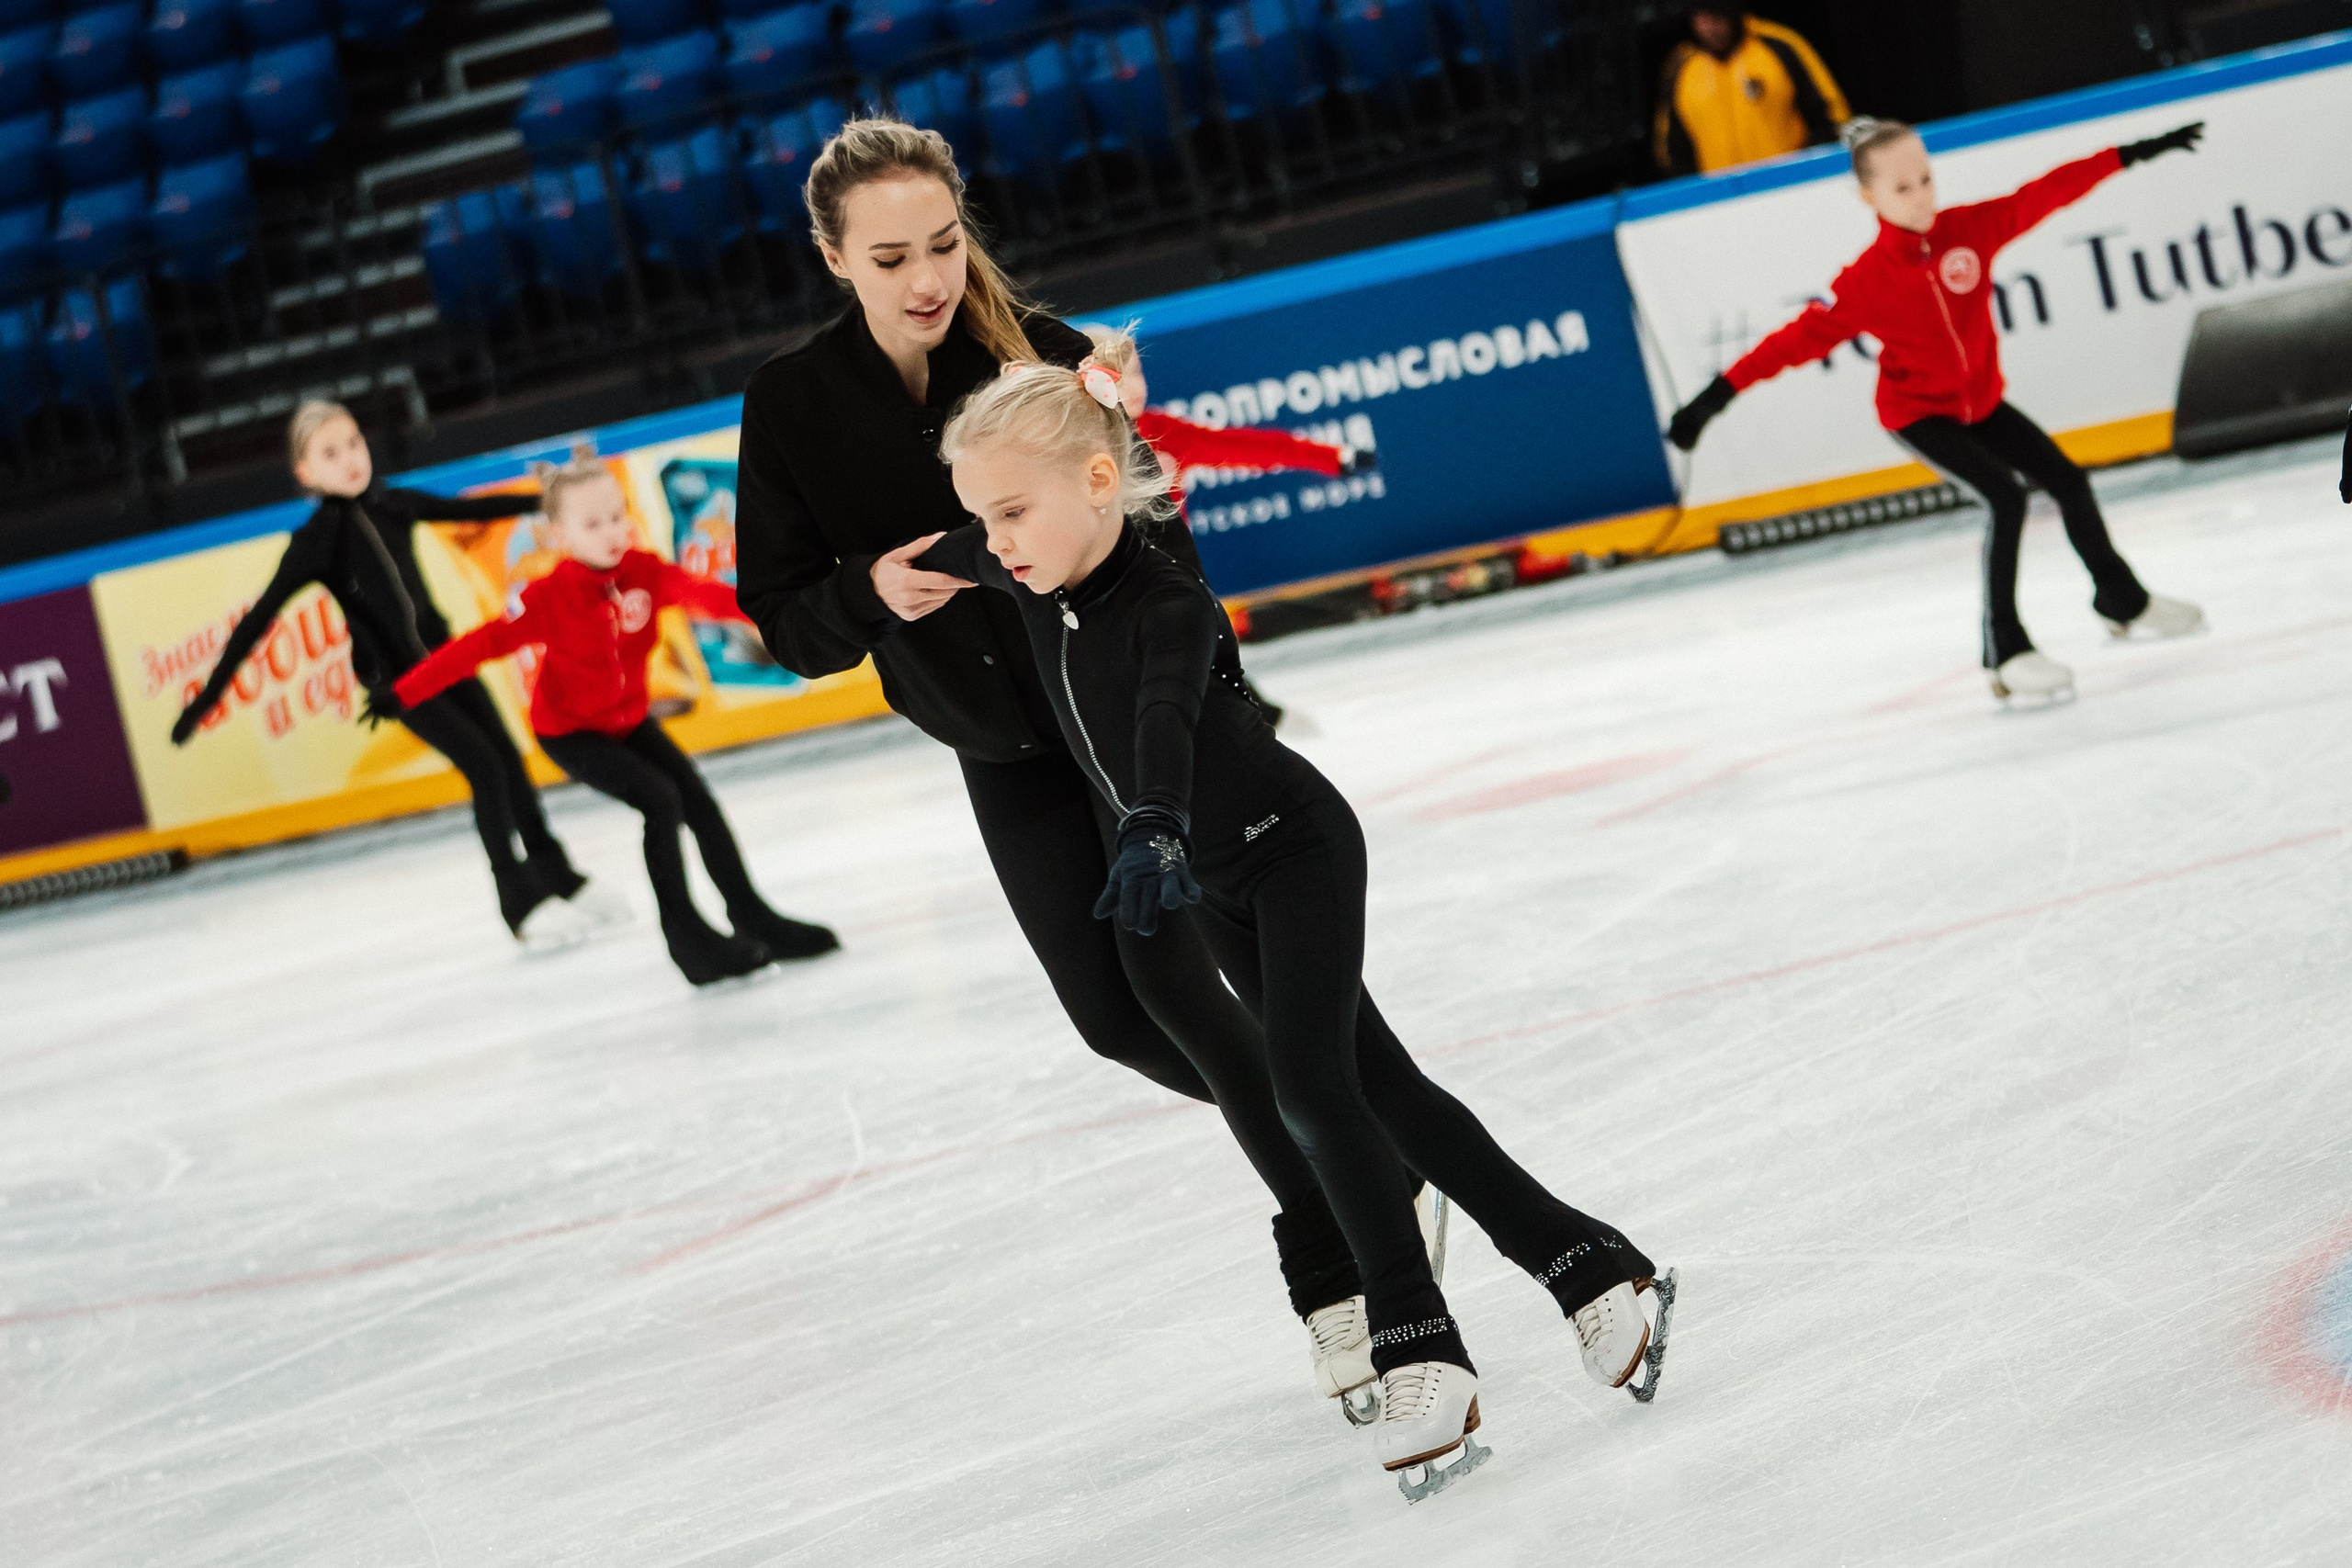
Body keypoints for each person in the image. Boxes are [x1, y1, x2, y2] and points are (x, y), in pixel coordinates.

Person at [918, 341, 1675, 1501]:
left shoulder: (1166, 601)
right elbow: (952, 554)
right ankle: (1588, 1267)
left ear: (1100, 483)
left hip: (1293, 850)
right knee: (1387, 1092)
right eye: (985, 516)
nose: (998, 539)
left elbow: (1164, 716)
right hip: (1219, 881)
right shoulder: (1030, 573)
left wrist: (1152, 824)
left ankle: (1419, 1346)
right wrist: (886, 574)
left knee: (1312, 1090)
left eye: (1012, 512)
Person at [729, 117, 1397, 1425]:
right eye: (890, 258)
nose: (927, 277)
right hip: (999, 748)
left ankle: (1336, 1253)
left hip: (1117, 725)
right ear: (833, 258)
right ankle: (1361, 1163)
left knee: (1188, 994)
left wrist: (1206, 712)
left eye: (942, 244)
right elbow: (783, 621)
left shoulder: (1036, 353)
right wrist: (868, 592)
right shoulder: (791, 403)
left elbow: (1157, 544)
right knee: (1117, 1020)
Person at [1668, 118, 2211, 702]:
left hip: (1982, 403)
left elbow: (2044, 194)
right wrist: (1711, 400)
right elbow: (1790, 344)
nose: (1922, 196)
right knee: (2006, 498)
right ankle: (2005, 652)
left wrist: (2128, 154)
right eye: (1903, 188)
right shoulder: (1865, 282)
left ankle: (2121, 599)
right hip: (1918, 415)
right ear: (1869, 197)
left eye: (1926, 179)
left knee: (2068, 481)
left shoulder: (1969, 230)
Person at [387, 457, 840, 986]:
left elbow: (710, 597)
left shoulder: (645, 573)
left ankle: (753, 916)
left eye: (618, 516)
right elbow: (481, 645)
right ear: (560, 536)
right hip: (570, 733)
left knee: (698, 804)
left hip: (628, 722)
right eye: (593, 524)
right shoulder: (547, 598)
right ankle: (689, 940)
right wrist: (405, 693)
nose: (612, 532)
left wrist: (784, 613)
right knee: (660, 800)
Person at [172, 402, 609, 947]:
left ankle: (555, 873)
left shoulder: (393, 502)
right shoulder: (315, 542)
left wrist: (555, 504)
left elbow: (467, 509)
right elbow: (256, 622)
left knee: (507, 758)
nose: (350, 459)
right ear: (306, 472)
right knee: (484, 767)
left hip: (445, 658)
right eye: (331, 453)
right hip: (397, 682)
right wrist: (204, 701)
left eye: (354, 443)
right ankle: (517, 899)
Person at [1082, 321, 1374, 728]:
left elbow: (1245, 447)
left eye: (1138, 372)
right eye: (1119, 375)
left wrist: (1330, 456)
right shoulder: (1078, 447)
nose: (1134, 386)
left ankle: (1254, 720)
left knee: (1203, 649)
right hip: (1107, 593)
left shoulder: (1163, 432)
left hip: (1173, 577)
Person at [1654, 2, 1849, 176]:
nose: (1708, 29)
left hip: (1792, 183)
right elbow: (1672, 149)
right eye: (1699, 20)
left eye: (1715, 19)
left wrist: (1811, 172)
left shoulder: (1777, 45)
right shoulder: (1682, 66)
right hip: (1723, 194)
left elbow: (1831, 113)